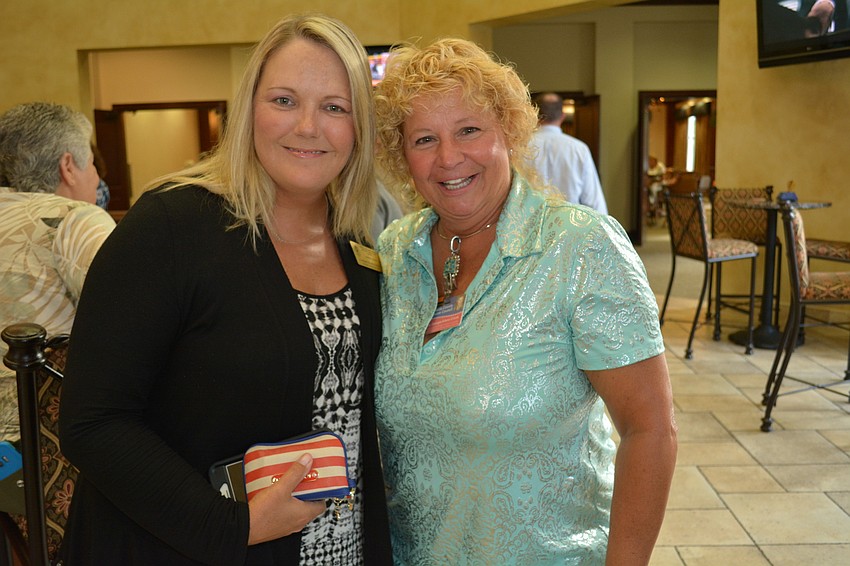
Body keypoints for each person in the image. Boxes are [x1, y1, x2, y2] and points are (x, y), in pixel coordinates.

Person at [59, 13, 391, 565]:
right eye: (284, 100)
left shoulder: (356, 241)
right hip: (194, 547)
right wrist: (233, 526)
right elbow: (94, 421)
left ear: (360, 128)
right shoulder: (172, 226)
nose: (308, 126)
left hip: (337, 548)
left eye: (335, 107)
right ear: (247, 111)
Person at [373, 38, 677, 565]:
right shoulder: (394, 251)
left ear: (509, 132)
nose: (448, 158)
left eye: (469, 130)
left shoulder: (579, 246)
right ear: (403, 154)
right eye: (424, 138)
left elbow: (650, 430)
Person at [0, 102, 115, 442]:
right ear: (68, 165)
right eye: (92, 164)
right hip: (40, 444)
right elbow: (137, 315)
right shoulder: (74, 218)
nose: (96, 179)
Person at [529, 92, 608, 214]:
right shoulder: (579, 149)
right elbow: (594, 201)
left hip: (528, 225)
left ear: (535, 115)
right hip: (570, 226)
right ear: (562, 116)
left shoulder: (519, 147)